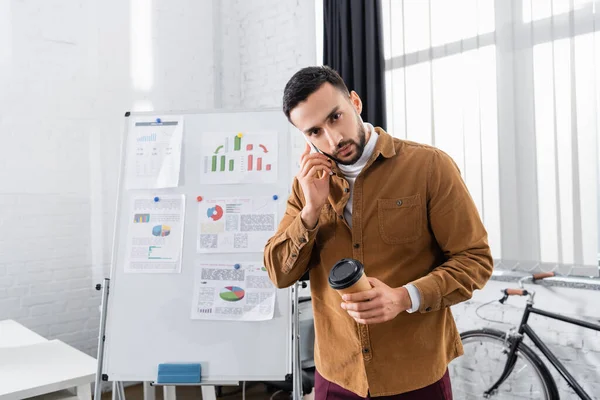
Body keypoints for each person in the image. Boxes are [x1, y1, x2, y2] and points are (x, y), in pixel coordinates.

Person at [263, 66, 493, 399]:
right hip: (337, 376)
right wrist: (310, 212)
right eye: (315, 132)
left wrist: (404, 298)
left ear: (355, 102)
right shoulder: (307, 187)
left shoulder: (430, 167)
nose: (333, 139)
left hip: (414, 374)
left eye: (335, 117)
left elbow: (475, 260)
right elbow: (279, 273)